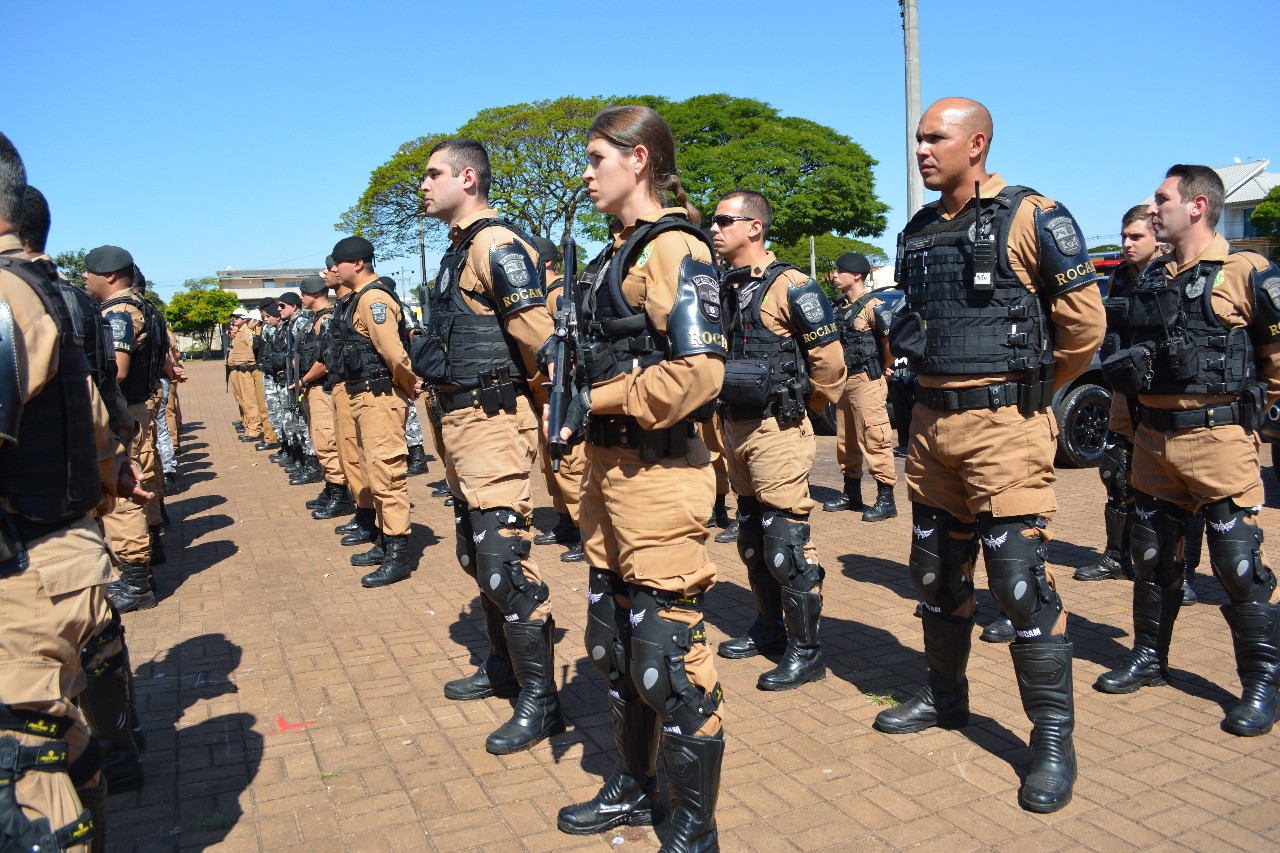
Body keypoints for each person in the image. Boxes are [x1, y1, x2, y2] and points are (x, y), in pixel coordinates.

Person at [873, 98, 1104, 814]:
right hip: (933, 430)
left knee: (1019, 583)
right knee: (938, 574)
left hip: (1006, 429)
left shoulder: (1031, 214)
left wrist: (1030, 394)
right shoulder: (916, 232)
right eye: (917, 137)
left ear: (976, 143)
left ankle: (1052, 744)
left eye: (934, 137)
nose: (920, 149)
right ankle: (946, 700)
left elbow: (1084, 326)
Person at [553, 105, 726, 851]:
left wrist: (592, 398)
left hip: (659, 477)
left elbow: (699, 373)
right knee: (615, 647)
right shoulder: (610, 256)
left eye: (597, 158)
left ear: (640, 161)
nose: (587, 173)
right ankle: (632, 784)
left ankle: (693, 830)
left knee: (670, 665)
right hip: (606, 473)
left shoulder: (676, 247)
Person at [0, 131, 152, 851]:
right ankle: (114, 758)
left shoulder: (9, 294)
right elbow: (90, 407)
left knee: (19, 774)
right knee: (48, 734)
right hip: (56, 548)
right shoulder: (48, 295)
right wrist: (107, 472)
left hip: (23, 565)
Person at [1093, 165, 1280, 738]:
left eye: (1162, 200)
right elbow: (1129, 362)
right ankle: (1150, 657)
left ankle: (1262, 683)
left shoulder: (1246, 272)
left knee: (1236, 564)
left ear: (1197, 206)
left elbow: (1277, 358)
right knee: (1153, 560)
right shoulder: (1150, 278)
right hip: (1153, 442)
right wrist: (1124, 434)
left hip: (1219, 440)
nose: (1153, 210)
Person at [414, 138, 564, 755]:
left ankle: (541, 699)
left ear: (467, 178)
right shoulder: (458, 250)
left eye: (433, 175)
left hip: (493, 419)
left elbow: (541, 337)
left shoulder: (497, 245)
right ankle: (503, 668)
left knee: (503, 561)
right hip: (457, 419)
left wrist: (556, 404)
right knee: (476, 556)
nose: (422, 185)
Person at [709, 189, 846, 692]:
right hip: (735, 426)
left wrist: (800, 411)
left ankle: (806, 652)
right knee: (751, 538)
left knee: (786, 544)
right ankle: (767, 627)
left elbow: (829, 364)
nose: (716, 229)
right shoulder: (723, 285)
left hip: (777, 428)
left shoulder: (794, 286)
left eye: (726, 220)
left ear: (755, 228)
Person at [1075, 205, 1205, 605]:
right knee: (1116, 473)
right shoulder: (1117, 277)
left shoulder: (1172, 275)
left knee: (1178, 487)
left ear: (1156, 237)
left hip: (1162, 392)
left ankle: (1181, 572)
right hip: (1123, 390)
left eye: (1136, 237)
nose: (1127, 244)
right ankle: (1116, 555)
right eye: (1124, 236)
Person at [83, 245, 168, 614]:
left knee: (123, 491)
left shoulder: (119, 312)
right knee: (144, 477)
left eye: (89, 272)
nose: (84, 278)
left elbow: (115, 370)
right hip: (138, 404)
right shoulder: (143, 307)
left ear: (110, 276)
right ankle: (149, 551)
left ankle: (136, 579)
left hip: (123, 407)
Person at [330, 237, 418, 587]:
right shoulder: (355, 299)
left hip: (379, 396)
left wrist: (409, 384)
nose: (333, 269)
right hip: (361, 396)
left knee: (386, 473)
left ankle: (399, 554)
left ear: (359, 263)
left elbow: (393, 353)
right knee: (371, 470)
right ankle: (384, 541)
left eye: (339, 263)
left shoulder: (374, 298)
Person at [823, 252, 898, 521]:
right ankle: (851, 494)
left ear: (856, 275)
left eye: (839, 271)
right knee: (846, 441)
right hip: (844, 381)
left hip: (867, 380)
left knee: (875, 438)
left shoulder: (874, 306)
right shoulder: (838, 306)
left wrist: (883, 366)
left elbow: (890, 345)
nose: (834, 275)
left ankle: (886, 499)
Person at [530, 233, 586, 563]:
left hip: (564, 393)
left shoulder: (559, 295)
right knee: (551, 467)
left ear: (547, 262)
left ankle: (584, 530)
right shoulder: (544, 295)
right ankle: (566, 521)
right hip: (547, 393)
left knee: (569, 466)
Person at [297, 273, 353, 516]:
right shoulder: (316, 319)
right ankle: (331, 488)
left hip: (323, 388)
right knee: (321, 442)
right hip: (315, 389)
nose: (301, 298)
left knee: (327, 441)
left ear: (316, 294)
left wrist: (304, 380)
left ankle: (339, 494)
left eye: (304, 293)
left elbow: (327, 360)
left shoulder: (326, 319)